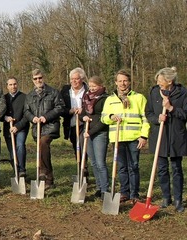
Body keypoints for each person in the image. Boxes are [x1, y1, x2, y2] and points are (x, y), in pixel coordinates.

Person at [101, 69, 149, 204]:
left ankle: (134, 194)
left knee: (133, 166)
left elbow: (146, 118)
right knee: (121, 167)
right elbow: (103, 117)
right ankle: (124, 192)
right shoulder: (110, 100)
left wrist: (144, 136)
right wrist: (111, 117)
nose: (123, 84)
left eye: (125, 81)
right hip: (117, 138)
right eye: (120, 81)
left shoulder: (139, 98)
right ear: (116, 83)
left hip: (134, 138)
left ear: (129, 82)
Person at [144, 67, 186, 212]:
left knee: (176, 169)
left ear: (170, 81)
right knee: (161, 169)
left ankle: (178, 200)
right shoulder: (154, 92)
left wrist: (171, 108)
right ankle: (166, 197)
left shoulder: (182, 93)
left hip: (176, 137)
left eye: (161, 81)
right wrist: (157, 118)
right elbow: (148, 112)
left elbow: (185, 114)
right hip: (159, 136)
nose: (158, 83)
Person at [23, 69, 65, 188]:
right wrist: (33, 118)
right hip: (37, 128)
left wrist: (45, 117)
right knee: (43, 151)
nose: (38, 80)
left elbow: (60, 107)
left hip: (50, 126)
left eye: (40, 78)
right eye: (35, 79)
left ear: (43, 78)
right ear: (32, 80)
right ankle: (49, 179)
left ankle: (43, 173)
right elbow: (26, 111)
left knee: (43, 144)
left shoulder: (53, 92)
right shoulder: (30, 96)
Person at [80, 76, 109, 198]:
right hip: (88, 132)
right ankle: (98, 187)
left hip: (99, 133)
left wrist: (91, 132)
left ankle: (105, 189)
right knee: (93, 163)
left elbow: (104, 120)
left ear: (101, 86)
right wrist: (83, 117)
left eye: (94, 86)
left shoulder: (105, 99)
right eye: (90, 86)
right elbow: (82, 112)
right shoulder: (86, 97)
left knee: (100, 163)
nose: (92, 88)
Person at [62, 67, 89, 180]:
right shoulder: (65, 91)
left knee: (83, 146)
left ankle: (84, 169)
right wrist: (70, 110)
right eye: (72, 79)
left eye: (76, 79)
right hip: (72, 124)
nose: (74, 81)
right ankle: (80, 168)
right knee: (76, 147)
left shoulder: (88, 91)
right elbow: (61, 108)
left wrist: (83, 110)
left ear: (82, 79)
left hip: (85, 124)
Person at [3, 77, 29, 178]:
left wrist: (17, 127)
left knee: (20, 146)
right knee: (12, 150)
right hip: (8, 129)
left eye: (14, 84)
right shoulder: (4, 98)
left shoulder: (24, 97)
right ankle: (16, 170)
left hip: (21, 127)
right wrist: (5, 117)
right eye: (10, 85)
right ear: (7, 86)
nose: (13, 86)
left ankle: (22, 170)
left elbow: (27, 115)